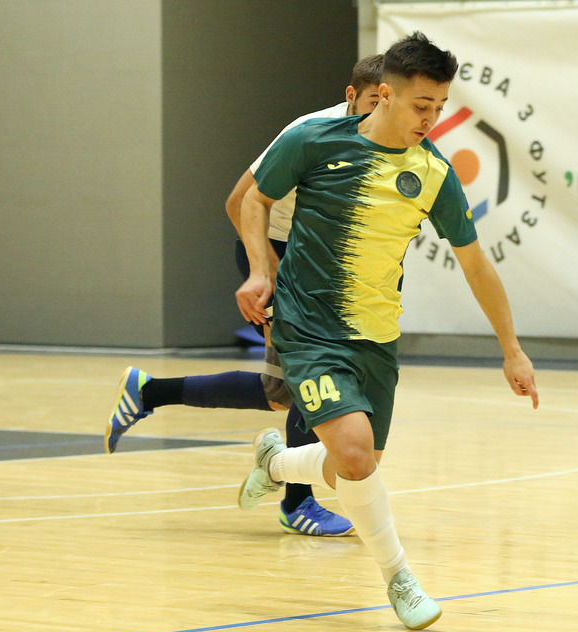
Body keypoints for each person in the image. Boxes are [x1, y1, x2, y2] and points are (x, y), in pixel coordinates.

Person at [235, 32, 539, 631]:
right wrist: (259, 270)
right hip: (307, 325)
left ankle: (277, 464)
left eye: (440, 107)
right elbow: (252, 200)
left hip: (376, 336)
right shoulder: (313, 140)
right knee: (354, 456)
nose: (431, 118)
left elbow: (476, 264)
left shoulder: (433, 173)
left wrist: (512, 350)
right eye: (422, 105)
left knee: (355, 464)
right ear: (383, 96)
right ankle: (401, 579)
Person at [104, 54, 385, 538]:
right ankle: (297, 503)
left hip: (315, 263)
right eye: (374, 100)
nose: (382, 110)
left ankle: (149, 392)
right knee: (310, 381)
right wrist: (264, 270)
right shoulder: (310, 132)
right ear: (351, 96)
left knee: (281, 394)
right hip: (276, 255)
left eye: (389, 101)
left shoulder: (391, 141)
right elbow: (239, 202)